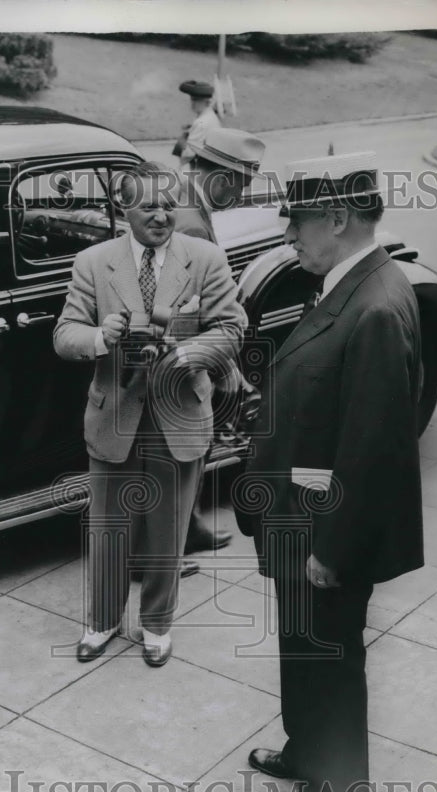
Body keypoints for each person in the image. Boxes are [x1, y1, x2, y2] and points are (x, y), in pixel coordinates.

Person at [234, 153, 423, 792]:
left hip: (326, 527)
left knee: (329, 654)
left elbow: (372, 449)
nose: (291, 238)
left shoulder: (373, 305)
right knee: (301, 640)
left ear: (338, 218)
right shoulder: (354, 283)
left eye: (300, 223)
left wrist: (333, 549)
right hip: (300, 514)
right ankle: (307, 748)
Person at [54, 161, 246, 668]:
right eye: (148, 207)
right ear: (124, 208)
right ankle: (101, 622)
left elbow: (231, 329)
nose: (161, 215)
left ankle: (157, 625)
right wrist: (101, 338)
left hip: (178, 414)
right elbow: (64, 333)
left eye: (168, 205)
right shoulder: (93, 262)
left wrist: (184, 355)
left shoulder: (204, 258)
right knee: (108, 529)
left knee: (169, 529)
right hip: (114, 414)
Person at [173, 127, 267, 562]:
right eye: (242, 185)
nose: (241, 195)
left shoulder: (183, 198)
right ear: (225, 178)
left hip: (178, 353)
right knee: (182, 451)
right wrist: (225, 370)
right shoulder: (191, 220)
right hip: (184, 357)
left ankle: (186, 529)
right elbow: (191, 309)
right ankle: (157, 551)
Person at [174, 80, 222, 166]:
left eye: (197, 100)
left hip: (202, 168)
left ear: (207, 102)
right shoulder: (210, 115)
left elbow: (189, 153)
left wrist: (180, 165)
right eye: (192, 99)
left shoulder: (201, 122)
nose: (193, 103)